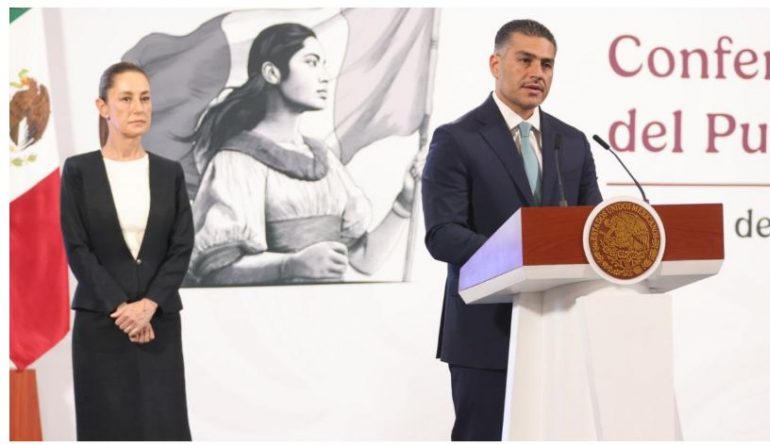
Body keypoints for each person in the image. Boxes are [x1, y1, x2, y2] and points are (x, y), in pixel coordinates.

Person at [421, 19, 603, 441]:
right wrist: (522, 253)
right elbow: (443, 234)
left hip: (559, 328)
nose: (537, 73)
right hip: (485, 332)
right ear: (495, 64)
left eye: (547, 64)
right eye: (525, 60)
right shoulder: (457, 139)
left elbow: (594, 228)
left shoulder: (572, 142)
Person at [188, 23, 420, 285]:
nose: (325, 76)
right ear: (272, 72)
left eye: (323, 64)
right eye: (311, 62)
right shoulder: (236, 161)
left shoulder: (325, 160)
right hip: (269, 309)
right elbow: (216, 270)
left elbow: (364, 260)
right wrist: (291, 265)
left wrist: (405, 202)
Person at [60, 62, 194, 440]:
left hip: (159, 323)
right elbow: (77, 248)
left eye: (145, 99)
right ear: (103, 107)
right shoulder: (79, 171)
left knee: (163, 427)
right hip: (102, 324)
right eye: (126, 99)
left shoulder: (169, 173)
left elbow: (181, 247)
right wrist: (123, 310)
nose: (139, 108)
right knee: (107, 428)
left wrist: (148, 305)